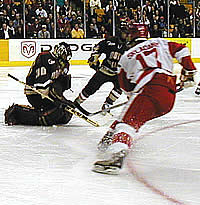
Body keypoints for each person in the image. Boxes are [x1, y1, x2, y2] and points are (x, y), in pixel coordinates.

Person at [92, 23, 197, 175]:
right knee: (135, 118)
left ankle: (116, 155)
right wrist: (190, 71)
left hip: (149, 87)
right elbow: (182, 49)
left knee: (128, 122)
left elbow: (126, 88)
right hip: (168, 94)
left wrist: (132, 98)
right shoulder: (161, 42)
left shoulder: (126, 57)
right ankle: (112, 137)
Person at [74, 23, 149, 115]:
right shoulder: (111, 41)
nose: (127, 35)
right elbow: (98, 47)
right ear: (120, 32)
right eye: (125, 33)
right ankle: (77, 102)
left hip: (118, 73)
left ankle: (108, 104)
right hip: (105, 70)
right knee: (91, 87)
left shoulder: (131, 46)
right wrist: (94, 56)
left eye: (128, 33)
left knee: (120, 88)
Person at [5, 42, 74, 126]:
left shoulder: (64, 64)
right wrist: (55, 98)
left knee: (65, 112)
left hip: (49, 92)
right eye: (64, 56)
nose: (64, 60)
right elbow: (41, 85)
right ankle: (16, 112)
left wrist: (61, 98)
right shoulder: (45, 57)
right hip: (36, 92)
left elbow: (58, 84)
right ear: (59, 52)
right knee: (52, 115)